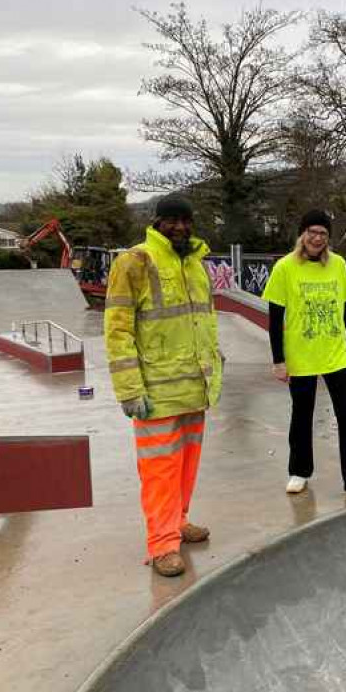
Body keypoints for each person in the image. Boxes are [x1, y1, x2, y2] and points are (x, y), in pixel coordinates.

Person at [104, 195, 223, 578]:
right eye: (171, 220)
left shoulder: (195, 263)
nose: (179, 227)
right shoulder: (134, 262)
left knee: (187, 465)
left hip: (193, 385)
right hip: (155, 392)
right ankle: (162, 545)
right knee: (159, 472)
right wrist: (129, 389)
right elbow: (118, 330)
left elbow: (203, 320)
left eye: (185, 220)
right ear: (156, 222)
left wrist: (214, 365)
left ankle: (178, 521)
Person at [262, 209, 346, 506]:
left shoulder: (338, 265)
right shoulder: (284, 268)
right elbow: (275, 319)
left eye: (323, 234)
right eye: (312, 232)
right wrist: (279, 360)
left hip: (336, 354)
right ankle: (299, 471)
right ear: (302, 235)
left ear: (328, 239)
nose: (317, 238)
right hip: (300, 355)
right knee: (301, 415)